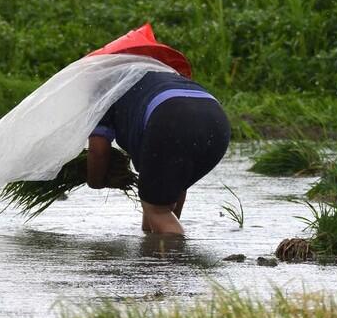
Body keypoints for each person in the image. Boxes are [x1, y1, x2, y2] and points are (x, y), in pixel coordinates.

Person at [82, 28, 230, 236]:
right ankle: (163, 254)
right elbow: (173, 171)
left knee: (158, 212)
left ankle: (175, 263)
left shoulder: (107, 89)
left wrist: (95, 181)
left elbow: (98, 150)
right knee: (157, 212)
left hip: (170, 118)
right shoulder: (160, 74)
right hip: (217, 121)